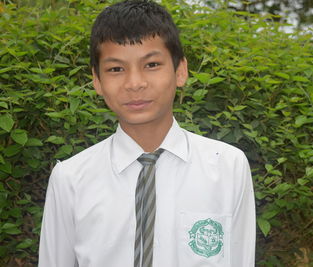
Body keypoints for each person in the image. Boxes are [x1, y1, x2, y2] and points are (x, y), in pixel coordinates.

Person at [38, 0, 256, 266]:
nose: (135, 84)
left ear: (180, 71)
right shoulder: (71, 179)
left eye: (151, 65)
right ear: (97, 80)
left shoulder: (227, 166)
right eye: (116, 69)